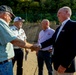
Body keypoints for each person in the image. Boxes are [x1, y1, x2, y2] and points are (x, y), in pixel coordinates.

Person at [34, 6, 76, 75]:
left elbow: (74, 48)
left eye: (59, 13)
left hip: (65, 68)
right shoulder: (59, 28)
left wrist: (64, 65)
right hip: (56, 65)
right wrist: (39, 45)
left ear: (67, 13)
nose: (57, 15)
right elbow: (52, 40)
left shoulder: (74, 25)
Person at [0, 5, 33, 75]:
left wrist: (26, 48)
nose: (21, 23)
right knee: (13, 65)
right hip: (6, 59)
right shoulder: (5, 26)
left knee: (20, 66)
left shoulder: (22, 30)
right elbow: (15, 41)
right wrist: (33, 46)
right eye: (10, 16)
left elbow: (24, 39)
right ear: (4, 14)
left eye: (22, 22)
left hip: (20, 50)